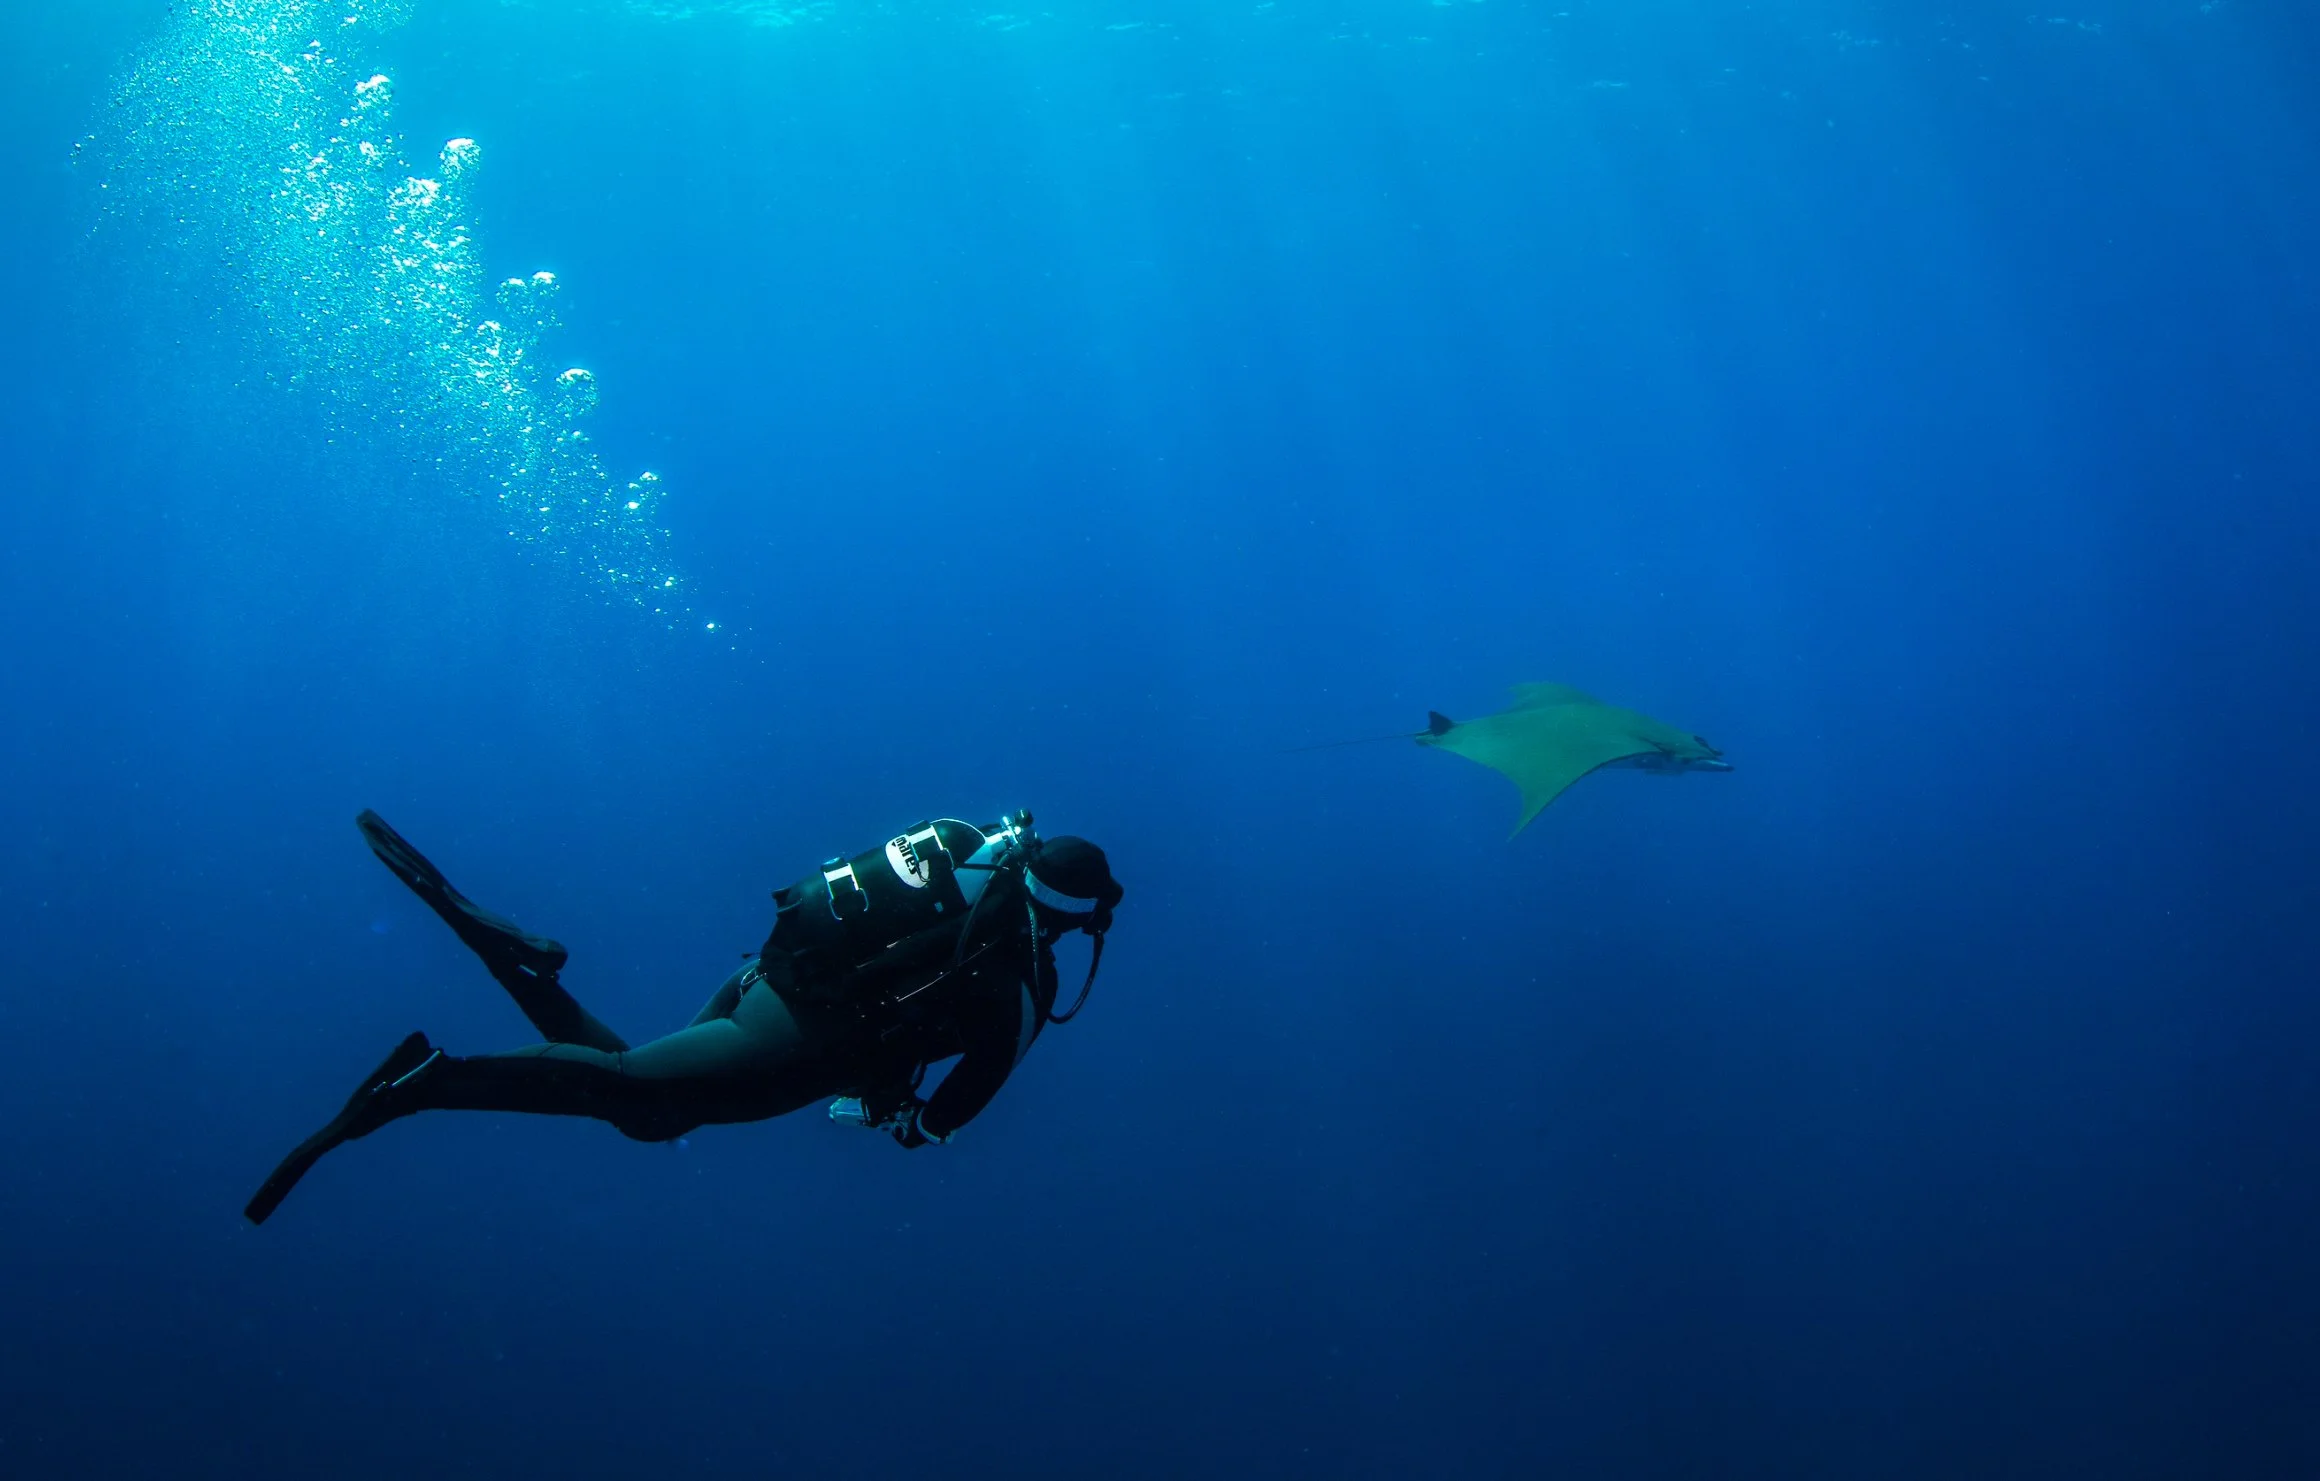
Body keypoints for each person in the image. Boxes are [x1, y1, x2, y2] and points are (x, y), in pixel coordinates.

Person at [245, 809, 1123, 1225]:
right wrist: (901, 1116)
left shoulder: (969, 842)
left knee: (644, 1092)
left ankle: (506, 953)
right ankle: (426, 1084)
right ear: (1069, 921)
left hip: (766, 976)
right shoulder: (1014, 991)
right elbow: (944, 1114)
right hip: (793, 1042)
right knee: (638, 1097)